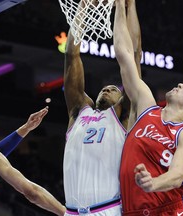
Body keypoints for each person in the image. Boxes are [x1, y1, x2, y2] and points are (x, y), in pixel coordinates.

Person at [113, 0, 183, 215]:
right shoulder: (146, 106)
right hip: (132, 211)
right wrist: (120, 8)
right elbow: (125, 55)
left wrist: (152, 183)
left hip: (170, 210)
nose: (180, 84)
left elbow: (178, 174)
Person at [62, 0, 142, 215]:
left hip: (107, 209)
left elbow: (134, 56)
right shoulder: (79, 111)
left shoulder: (123, 115)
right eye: (104, 88)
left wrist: (129, 7)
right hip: (71, 211)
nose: (107, 89)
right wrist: (82, 9)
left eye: (114, 89)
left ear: (122, 97)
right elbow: (71, 56)